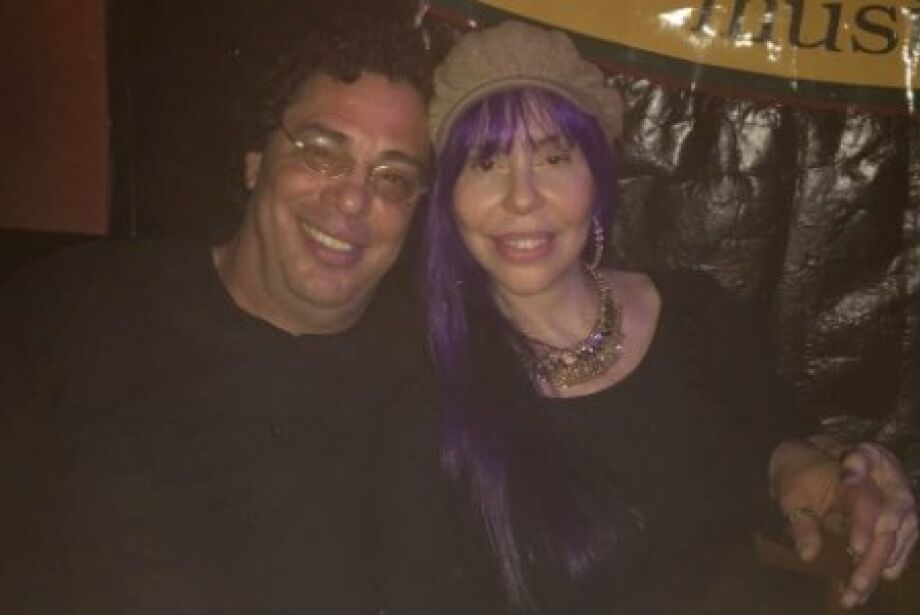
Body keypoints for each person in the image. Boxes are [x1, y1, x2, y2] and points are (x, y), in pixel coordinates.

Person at [379, 19, 917, 614]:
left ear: (596, 175)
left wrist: (844, 476)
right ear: (448, 199)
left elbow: (783, 446)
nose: (523, 197)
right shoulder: (418, 379)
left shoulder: (695, 313)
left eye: (554, 157)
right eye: (486, 163)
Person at [0, 12, 433, 613]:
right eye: (321, 152)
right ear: (256, 161)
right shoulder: (75, 307)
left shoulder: (433, 387)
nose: (353, 198)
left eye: (393, 179)